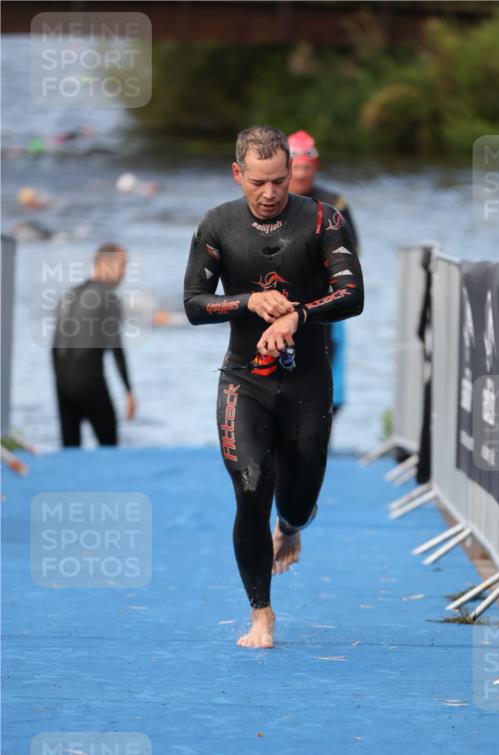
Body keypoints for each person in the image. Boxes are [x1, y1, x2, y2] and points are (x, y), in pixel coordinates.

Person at [184, 125, 364, 649]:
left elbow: (353, 295)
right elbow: (193, 304)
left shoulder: (323, 219)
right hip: (245, 381)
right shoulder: (217, 224)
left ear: (292, 173)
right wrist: (246, 302)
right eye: (258, 182)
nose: (269, 193)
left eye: (279, 182)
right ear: (237, 173)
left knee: (299, 500)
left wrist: (297, 315)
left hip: (306, 381)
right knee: (251, 485)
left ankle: (292, 523)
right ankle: (261, 613)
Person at [288, 129, 359, 416]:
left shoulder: (333, 202)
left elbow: (353, 250)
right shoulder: (274, 200)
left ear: (315, 167)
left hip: (324, 298)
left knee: (327, 365)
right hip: (283, 297)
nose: (301, 175)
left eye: (306, 168)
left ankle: (324, 418)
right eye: (296, 168)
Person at [51, 243, 136, 447]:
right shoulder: (108, 297)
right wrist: (129, 391)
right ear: (105, 265)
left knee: (70, 452)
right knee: (109, 449)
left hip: (63, 387)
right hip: (91, 385)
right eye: (122, 265)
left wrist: (62, 385)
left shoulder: (69, 295)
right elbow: (116, 348)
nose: (124, 273)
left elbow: (56, 347)